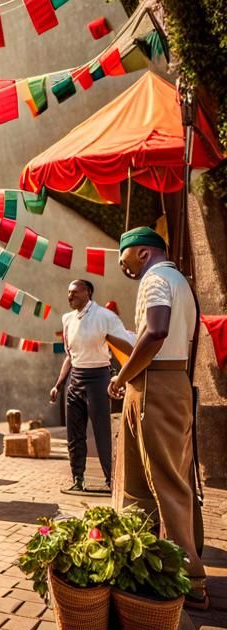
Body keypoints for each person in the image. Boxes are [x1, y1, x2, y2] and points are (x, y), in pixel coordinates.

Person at [110, 227, 206, 608]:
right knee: (148, 480)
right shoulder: (181, 282)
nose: (124, 268)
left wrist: (122, 375)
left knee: (164, 481)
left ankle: (190, 577)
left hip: (155, 384)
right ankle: (146, 562)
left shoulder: (155, 279)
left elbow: (156, 331)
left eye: (125, 259)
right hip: (170, 381)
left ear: (143, 253)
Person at [51, 279, 135, 493]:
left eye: (75, 292)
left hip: (98, 378)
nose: (70, 296)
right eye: (68, 292)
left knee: (101, 431)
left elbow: (127, 347)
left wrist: (126, 376)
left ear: (88, 292)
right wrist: (58, 385)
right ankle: (77, 479)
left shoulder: (104, 317)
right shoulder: (67, 319)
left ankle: (111, 480)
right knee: (74, 433)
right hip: (76, 379)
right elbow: (70, 357)